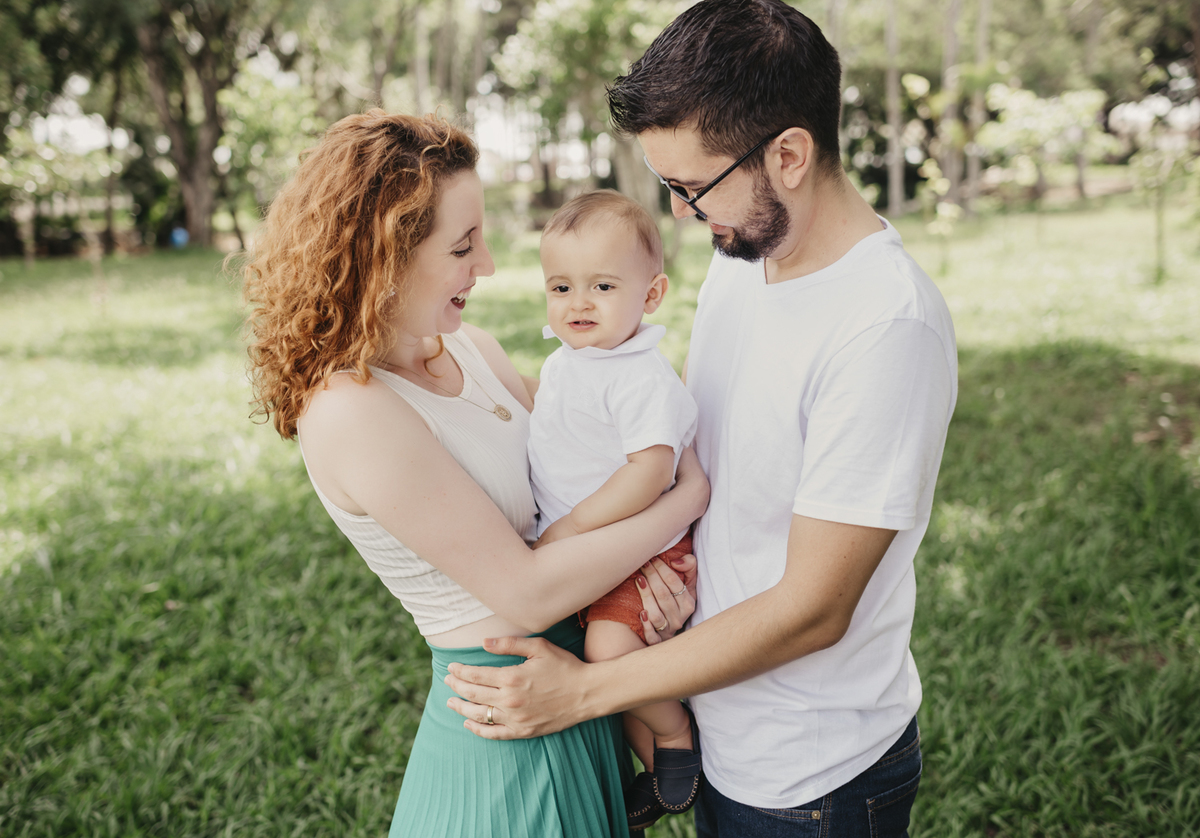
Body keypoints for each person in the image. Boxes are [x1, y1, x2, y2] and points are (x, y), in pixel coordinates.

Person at [444, 2, 959, 836]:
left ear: (789, 154)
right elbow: (690, 445)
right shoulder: (741, 260)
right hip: (716, 723)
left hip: (808, 777)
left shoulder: (885, 328)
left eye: (695, 186)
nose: (682, 212)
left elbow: (814, 608)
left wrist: (587, 692)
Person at [241, 110, 708, 837]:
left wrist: (651, 581)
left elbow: (590, 452)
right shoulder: (350, 410)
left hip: (575, 695)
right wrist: (683, 505)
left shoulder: (473, 351)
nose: (487, 264)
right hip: (506, 744)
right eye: (463, 245)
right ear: (388, 254)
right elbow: (524, 594)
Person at [529, 190, 702, 830]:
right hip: (596, 552)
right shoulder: (568, 363)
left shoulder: (637, 375)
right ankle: (658, 771)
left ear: (651, 295)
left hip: (642, 551)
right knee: (615, 679)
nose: (578, 302)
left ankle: (676, 734)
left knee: (608, 654)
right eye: (561, 286)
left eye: (602, 285)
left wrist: (571, 526)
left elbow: (650, 471)